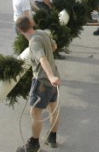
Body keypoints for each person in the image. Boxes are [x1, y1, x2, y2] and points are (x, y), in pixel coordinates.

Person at [15, 16, 61, 152]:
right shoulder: (42, 33)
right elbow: (54, 46)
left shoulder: (33, 43)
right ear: (31, 24)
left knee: (35, 112)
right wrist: (53, 76)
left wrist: (50, 76)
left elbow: (42, 59)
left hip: (42, 82)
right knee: (54, 109)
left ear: (19, 30)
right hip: (54, 79)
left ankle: (33, 144)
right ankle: (52, 138)